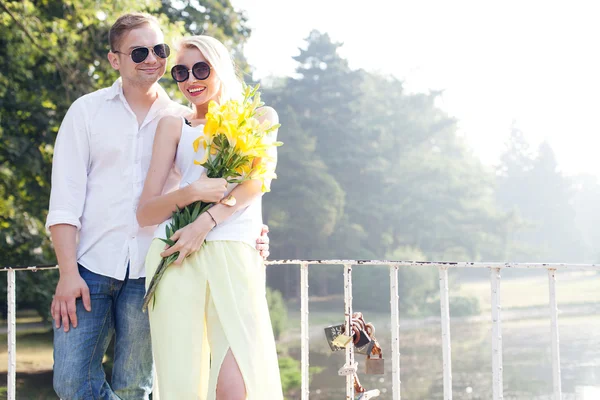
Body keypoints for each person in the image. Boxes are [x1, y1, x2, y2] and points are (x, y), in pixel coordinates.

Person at [46, 13, 270, 400]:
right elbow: (64, 203)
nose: (152, 59)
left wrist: (250, 230)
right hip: (90, 267)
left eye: (159, 50)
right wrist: (68, 272)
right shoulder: (87, 112)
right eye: (139, 51)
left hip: (156, 265)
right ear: (115, 59)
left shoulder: (179, 117)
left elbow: (245, 180)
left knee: (138, 387)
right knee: (70, 382)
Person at [136, 34, 283, 400]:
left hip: (232, 251)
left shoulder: (258, 118)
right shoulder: (173, 124)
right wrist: (190, 194)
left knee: (238, 378)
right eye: (181, 72)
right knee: (182, 376)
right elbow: (145, 212)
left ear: (220, 68)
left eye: (201, 68)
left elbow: (255, 183)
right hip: (175, 254)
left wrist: (204, 222)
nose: (190, 80)